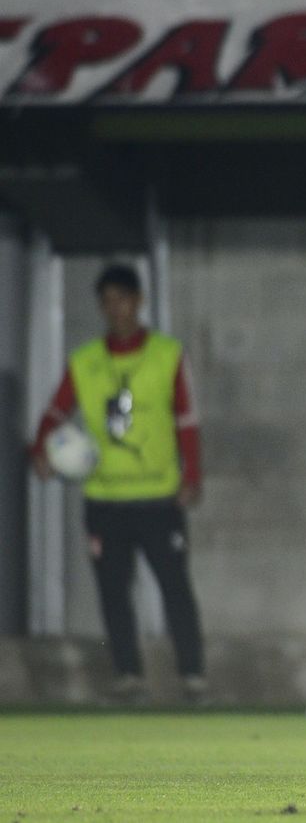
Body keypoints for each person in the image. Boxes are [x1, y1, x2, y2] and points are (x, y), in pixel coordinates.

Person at [30, 263, 206, 700]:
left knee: (175, 586)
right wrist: (42, 449)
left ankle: (193, 674)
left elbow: (186, 419)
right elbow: (56, 412)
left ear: (139, 301)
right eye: (106, 301)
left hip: (158, 496)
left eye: (122, 299)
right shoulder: (85, 361)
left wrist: (193, 474)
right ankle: (128, 675)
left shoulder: (167, 354)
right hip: (104, 499)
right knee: (112, 591)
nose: (115, 309)